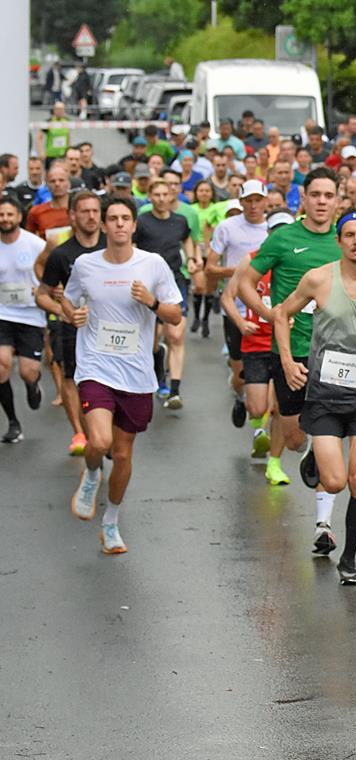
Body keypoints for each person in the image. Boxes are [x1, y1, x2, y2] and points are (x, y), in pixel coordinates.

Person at [275, 209, 356, 583]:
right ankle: (314, 455)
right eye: (348, 235)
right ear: (339, 241)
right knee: (333, 482)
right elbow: (282, 314)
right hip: (324, 394)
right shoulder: (318, 279)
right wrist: (287, 362)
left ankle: (349, 561)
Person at [60, 198, 184, 554]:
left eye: (124, 218)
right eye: (111, 218)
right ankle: (92, 475)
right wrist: (72, 315)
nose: (117, 224)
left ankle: (111, 521)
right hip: (96, 367)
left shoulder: (153, 265)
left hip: (136, 373)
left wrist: (152, 302)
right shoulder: (85, 265)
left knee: (124, 455)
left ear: (133, 226)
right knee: (98, 442)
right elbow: (68, 302)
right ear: (103, 225)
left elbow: (175, 316)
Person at [237, 167, 343, 548]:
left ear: (337, 200)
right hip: (292, 351)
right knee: (297, 435)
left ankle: (323, 525)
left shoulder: (345, 239)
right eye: (315, 195)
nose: (321, 202)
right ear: (304, 197)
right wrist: (269, 315)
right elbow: (245, 283)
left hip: (337, 352)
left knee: (329, 435)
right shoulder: (283, 239)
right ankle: (310, 448)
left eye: (328, 195)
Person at [219, 207, 296, 484]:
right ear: (268, 233)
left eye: (285, 230)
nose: (280, 235)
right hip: (255, 342)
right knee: (257, 407)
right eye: (275, 230)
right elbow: (228, 297)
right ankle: (252, 419)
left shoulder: (300, 262)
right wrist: (241, 323)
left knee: (277, 408)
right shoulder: (252, 261)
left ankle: (274, 464)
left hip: (285, 344)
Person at [34, 191, 105, 454]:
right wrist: (60, 310)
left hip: (108, 328)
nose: (91, 216)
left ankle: (100, 432)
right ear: (73, 216)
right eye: (84, 211)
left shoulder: (113, 247)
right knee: (71, 378)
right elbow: (42, 294)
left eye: (95, 211)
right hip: (72, 326)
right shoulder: (61, 253)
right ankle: (80, 433)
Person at [206, 179, 268, 431]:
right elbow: (210, 268)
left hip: (265, 312)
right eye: (248, 201)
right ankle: (241, 397)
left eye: (258, 200)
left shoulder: (274, 229)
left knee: (266, 372)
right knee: (239, 371)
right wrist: (241, 270)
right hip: (235, 309)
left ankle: (260, 429)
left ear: (265, 201)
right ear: (241, 202)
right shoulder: (227, 227)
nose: (253, 206)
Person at [134, 180, 194, 409]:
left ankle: (175, 390)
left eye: (164, 194)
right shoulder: (142, 222)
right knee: (151, 342)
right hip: (149, 285)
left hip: (175, 281)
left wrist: (192, 258)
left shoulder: (180, 221)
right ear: (149, 196)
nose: (160, 198)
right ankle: (159, 369)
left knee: (176, 335)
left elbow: (187, 239)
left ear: (171, 195)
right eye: (156, 194)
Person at [0, 198, 46, 443]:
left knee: (28, 372)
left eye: (10, 214)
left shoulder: (36, 244)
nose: (5, 219)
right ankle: (13, 422)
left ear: (19, 217)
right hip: (2, 314)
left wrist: (42, 292)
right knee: (1, 366)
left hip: (30, 315)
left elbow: (50, 275)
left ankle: (33, 385)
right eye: (1, 214)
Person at [24, 164, 72, 246]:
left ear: (69, 183)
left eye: (61, 180)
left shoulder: (79, 210)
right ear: (47, 185)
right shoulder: (35, 212)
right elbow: (28, 241)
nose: (57, 184)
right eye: (52, 181)